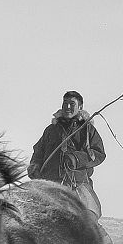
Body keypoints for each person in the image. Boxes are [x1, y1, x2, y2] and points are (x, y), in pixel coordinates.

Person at [28, 90, 105, 218]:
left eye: (72, 104)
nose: (67, 107)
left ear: (80, 107)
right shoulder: (51, 129)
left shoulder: (87, 129)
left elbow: (99, 154)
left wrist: (76, 159)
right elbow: (38, 150)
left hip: (77, 187)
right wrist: (34, 167)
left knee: (86, 225)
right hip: (50, 186)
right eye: (65, 103)